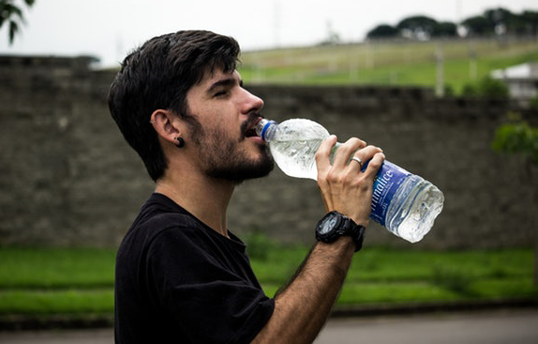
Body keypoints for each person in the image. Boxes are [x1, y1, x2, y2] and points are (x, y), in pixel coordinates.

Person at [108, 30, 384, 343]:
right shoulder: (168, 238)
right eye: (222, 92)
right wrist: (342, 227)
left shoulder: (205, 238)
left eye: (241, 85)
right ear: (171, 126)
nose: (254, 100)